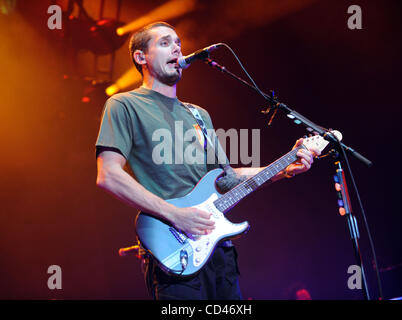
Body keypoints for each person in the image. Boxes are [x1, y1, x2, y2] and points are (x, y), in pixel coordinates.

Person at [95, 21, 320, 300]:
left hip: (219, 251)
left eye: (178, 42)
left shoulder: (198, 114)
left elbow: (227, 179)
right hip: (175, 252)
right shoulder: (124, 105)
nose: (177, 48)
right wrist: (175, 215)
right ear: (141, 57)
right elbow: (108, 175)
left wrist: (283, 168)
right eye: (165, 43)